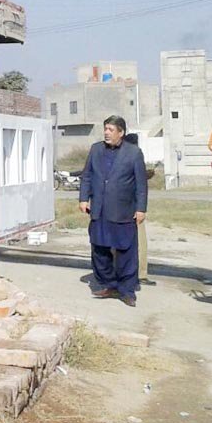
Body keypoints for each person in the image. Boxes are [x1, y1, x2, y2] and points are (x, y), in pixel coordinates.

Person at [78, 115, 147, 307]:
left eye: (111, 129)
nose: (107, 133)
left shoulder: (134, 153)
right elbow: (87, 176)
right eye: (105, 129)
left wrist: (141, 208)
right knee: (99, 249)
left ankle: (126, 290)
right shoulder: (96, 149)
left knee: (126, 251)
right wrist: (84, 198)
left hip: (124, 210)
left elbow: (141, 185)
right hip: (99, 210)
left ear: (121, 133)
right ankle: (109, 284)